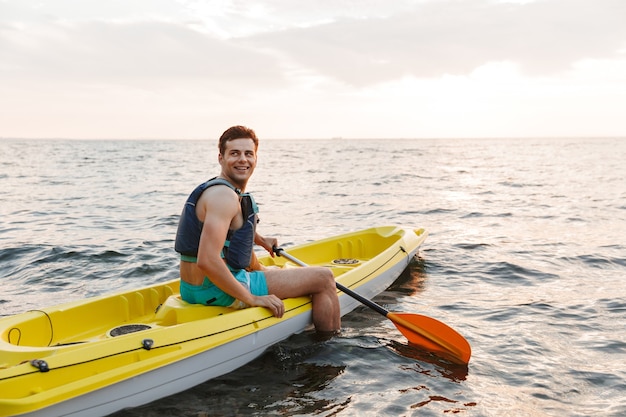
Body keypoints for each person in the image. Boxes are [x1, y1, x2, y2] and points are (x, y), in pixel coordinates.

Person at [175, 125, 340, 334]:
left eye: (248, 154)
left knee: (260, 266)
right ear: (221, 158)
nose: (243, 159)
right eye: (234, 153)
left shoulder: (217, 189)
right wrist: (251, 298)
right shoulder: (224, 197)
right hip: (216, 290)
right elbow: (207, 260)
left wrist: (260, 239)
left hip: (192, 289)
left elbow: (226, 233)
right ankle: (330, 349)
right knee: (324, 278)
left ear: (256, 158)